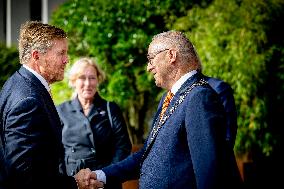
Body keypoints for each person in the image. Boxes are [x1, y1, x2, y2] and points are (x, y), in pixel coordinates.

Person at [79, 30, 244, 189]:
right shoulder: (167, 99)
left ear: (171, 55)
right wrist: (100, 175)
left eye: (151, 58)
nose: (148, 67)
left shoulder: (199, 96)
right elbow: (146, 155)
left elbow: (209, 172)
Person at [0, 21, 103, 189]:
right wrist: (74, 183)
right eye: (61, 53)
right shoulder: (29, 100)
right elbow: (23, 175)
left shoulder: (17, 84)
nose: (66, 60)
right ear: (36, 56)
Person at [56, 57, 132, 189]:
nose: (87, 83)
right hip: (73, 183)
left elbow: (123, 147)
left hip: (105, 183)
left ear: (98, 80)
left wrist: (103, 177)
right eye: (82, 78)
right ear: (74, 81)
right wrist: (67, 182)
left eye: (92, 78)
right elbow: (55, 151)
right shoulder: (60, 111)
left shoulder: (110, 109)